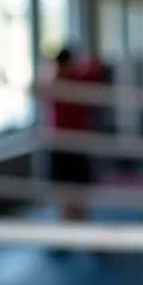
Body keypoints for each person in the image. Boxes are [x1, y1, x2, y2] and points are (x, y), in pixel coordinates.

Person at [45, 46, 97, 222]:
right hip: (66, 143)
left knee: (73, 191)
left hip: (70, 143)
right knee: (69, 191)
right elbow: (94, 70)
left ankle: (74, 226)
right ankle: (73, 226)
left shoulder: (62, 81)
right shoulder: (66, 81)